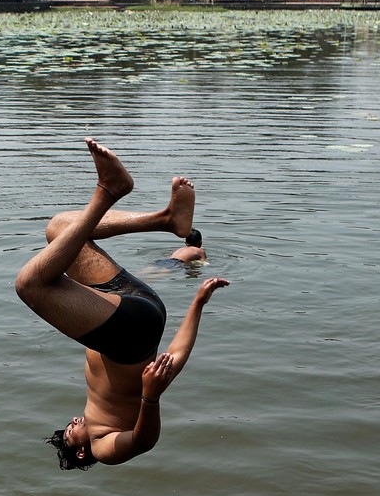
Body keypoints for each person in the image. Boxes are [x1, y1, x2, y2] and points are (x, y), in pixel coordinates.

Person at [15, 138, 230, 470]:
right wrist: (151, 397)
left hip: (137, 305)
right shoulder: (101, 446)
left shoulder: (98, 401)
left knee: (59, 228)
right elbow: (144, 442)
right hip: (131, 331)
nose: (71, 423)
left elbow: (173, 358)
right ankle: (108, 191)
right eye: (69, 435)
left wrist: (197, 303)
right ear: (81, 452)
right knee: (30, 285)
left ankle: (166, 219)